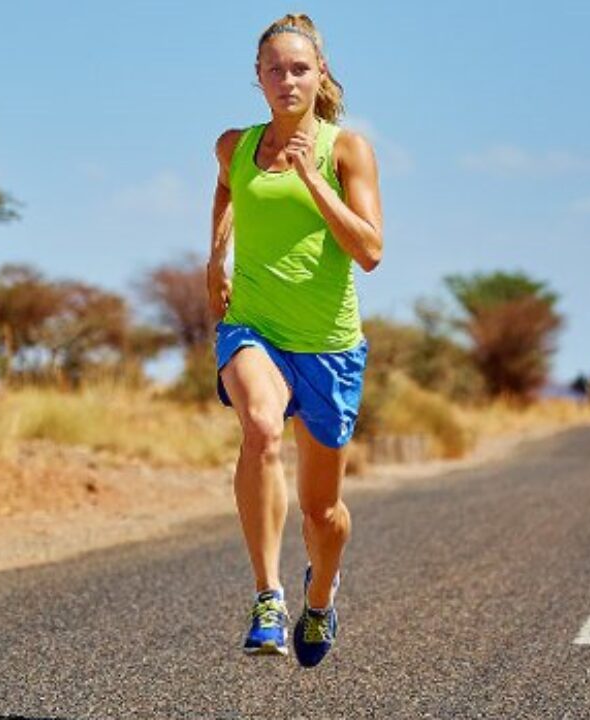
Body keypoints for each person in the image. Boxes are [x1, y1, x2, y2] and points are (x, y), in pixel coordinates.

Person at [207, 12, 383, 668]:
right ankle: (268, 596)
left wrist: (313, 181)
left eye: (300, 68)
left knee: (324, 512)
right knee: (259, 427)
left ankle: (321, 592)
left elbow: (370, 251)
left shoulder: (346, 150)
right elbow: (228, 192)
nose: (287, 79)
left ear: (320, 77)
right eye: (275, 69)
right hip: (254, 326)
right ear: (257, 78)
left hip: (329, 347)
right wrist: (212, 262)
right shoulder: (233, 145)